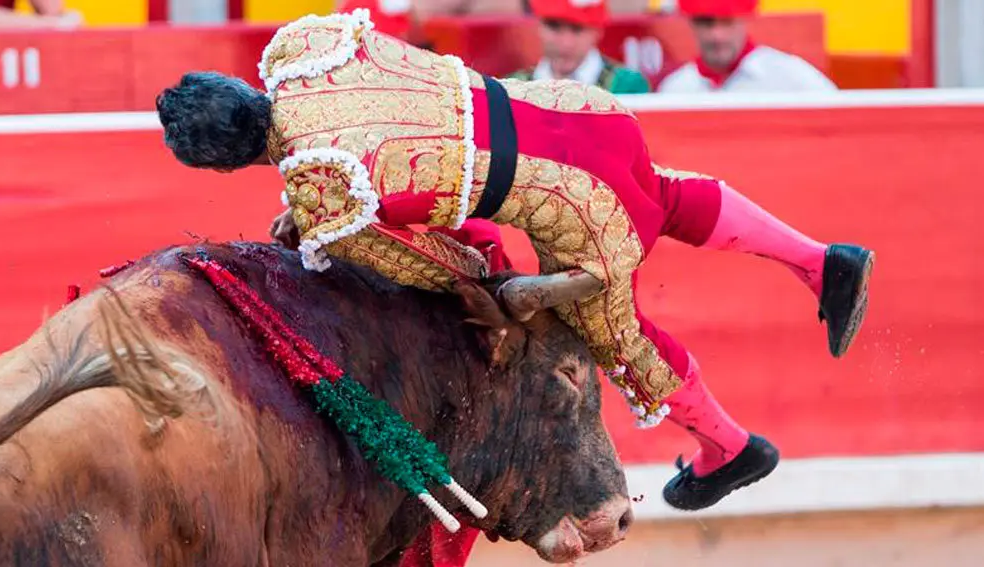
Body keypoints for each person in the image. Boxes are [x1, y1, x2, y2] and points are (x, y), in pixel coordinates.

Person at [156, 5, 873, 546]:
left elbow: (436, 264)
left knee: (620, 340)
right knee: (667, 191)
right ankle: (821, 261)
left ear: (225, 164)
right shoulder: (309, 46)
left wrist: (494, 284)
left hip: (573, 203)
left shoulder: (324, 195)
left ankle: (731, 448)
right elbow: (373, 117)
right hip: (572, 111)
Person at [658, 0, 836, 93]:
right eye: (706, 23)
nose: (717, 35)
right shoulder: (677, 88)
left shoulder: (790, 76)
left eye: (727, 22)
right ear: (691, 24)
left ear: (744, 20)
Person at [509, 0, 651, 93]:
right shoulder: (514, 88)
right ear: (538, 26)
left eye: (577, 29)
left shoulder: (626, 86)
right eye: (554, 26)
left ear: (597, 32)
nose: (565, 43)